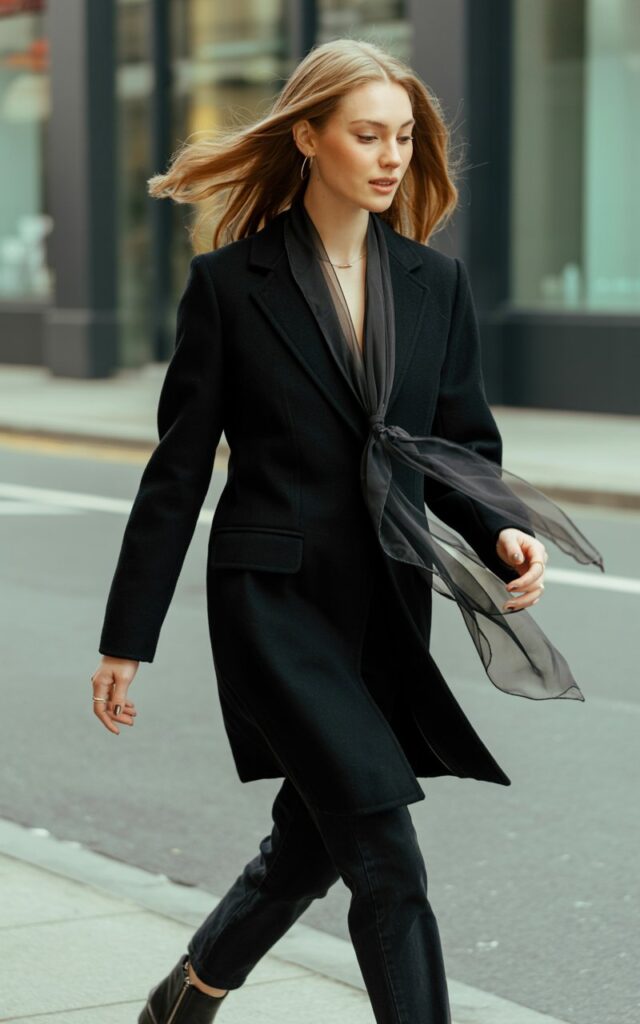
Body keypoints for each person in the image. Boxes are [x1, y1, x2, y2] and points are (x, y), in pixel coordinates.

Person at [90, 38, 603, 1024]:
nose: (391, 157)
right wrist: (127, 640)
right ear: (307, 136)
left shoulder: (433, 282)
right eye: (367, 135)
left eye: (403, 137)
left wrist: (502, 531)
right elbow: (177, 473)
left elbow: (457, 445)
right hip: (274, 606)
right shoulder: (231, 285)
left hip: (384, 610)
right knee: (385, 854)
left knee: (313, 839)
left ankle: (185, 995)